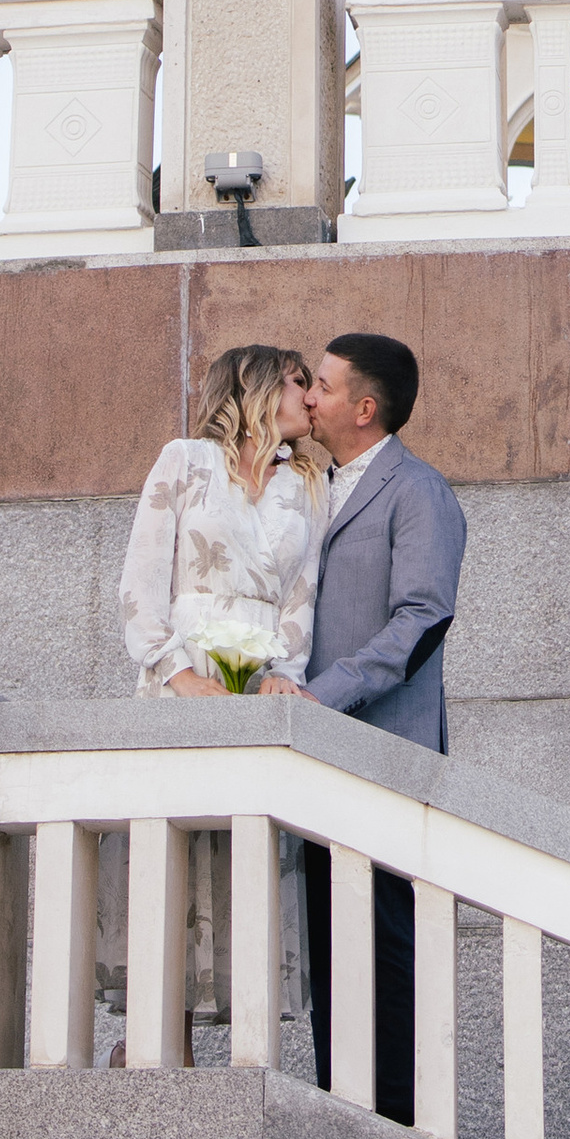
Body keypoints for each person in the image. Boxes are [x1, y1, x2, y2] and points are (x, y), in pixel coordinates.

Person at [279, 330, 468, 1124]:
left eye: (320, 385)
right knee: (332, 949)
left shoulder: (417, 491)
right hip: (327, 763)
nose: (308, 396)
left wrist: (324, 697)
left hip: (383, 756)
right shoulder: (320, 488)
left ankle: (396, 1134)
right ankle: (344, 1121)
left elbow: (424, 617)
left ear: (364, 406)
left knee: (388, 951)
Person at [116, 341, 325, 1057]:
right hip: (186, 675)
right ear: (261, 388)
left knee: (249, 863)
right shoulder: (185, 461)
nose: (311, 399)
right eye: (301, 383)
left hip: (259, 683)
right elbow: (141, 579)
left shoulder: (306, 485)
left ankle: (247, 1058)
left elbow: (305, 597)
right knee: (172, 860)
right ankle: (152, 1044)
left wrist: (283, 671)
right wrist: (176, 671)